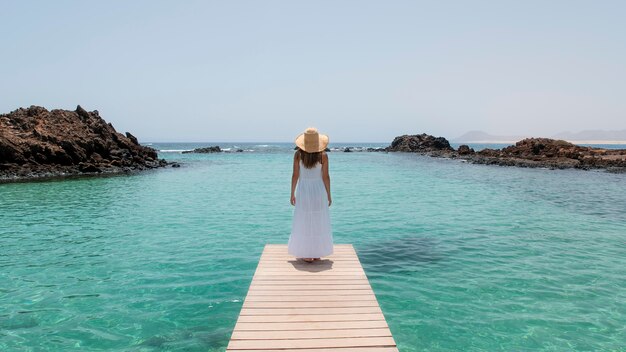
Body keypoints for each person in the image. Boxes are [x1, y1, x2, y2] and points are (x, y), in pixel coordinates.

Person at [288, 127, 333, 263]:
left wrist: (292, 193)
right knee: (318, 219)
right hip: (318, 190)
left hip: (304, 190)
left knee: (304, 219)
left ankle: (307, 253)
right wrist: (329, 195)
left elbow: (295, 175)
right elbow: (326, 177)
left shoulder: (298, 155)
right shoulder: (323, 156)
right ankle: (317, 251)